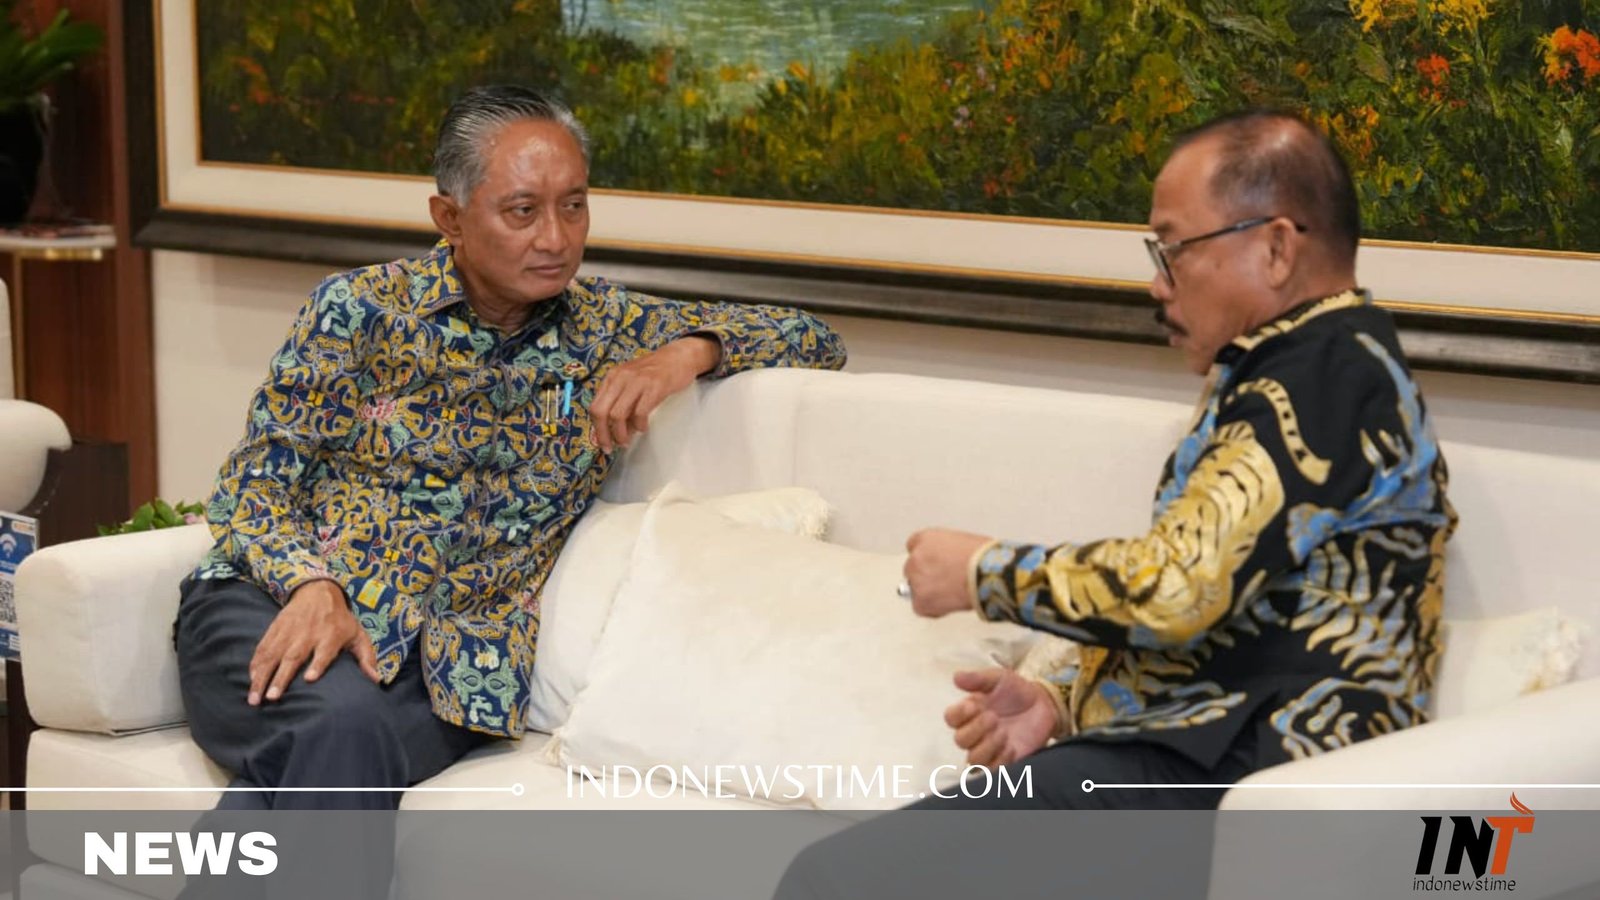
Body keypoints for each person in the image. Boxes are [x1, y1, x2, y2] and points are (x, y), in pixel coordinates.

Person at [775, 109, 1455, 894]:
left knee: (836, 880)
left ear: (1275, 248)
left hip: (1249, 780)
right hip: (1199, 759)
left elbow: (1181, 586)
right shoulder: (1304, 367)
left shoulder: (1326, 376)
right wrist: (1061, 703)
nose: (1158, 283)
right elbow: (1230, 607)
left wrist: (981, 573)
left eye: (1174, 248)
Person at [174, 85, 847, 815]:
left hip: (450, 673)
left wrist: (688, 352)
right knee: (343, 731)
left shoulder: (604, 328)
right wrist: (313, 586)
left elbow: (814, 338)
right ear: (450, 218)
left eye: (574, 205)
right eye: (523, 211)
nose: (555, 238)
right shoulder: (359, 311)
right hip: (272, 604)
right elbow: (252, 487)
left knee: (336, 749)